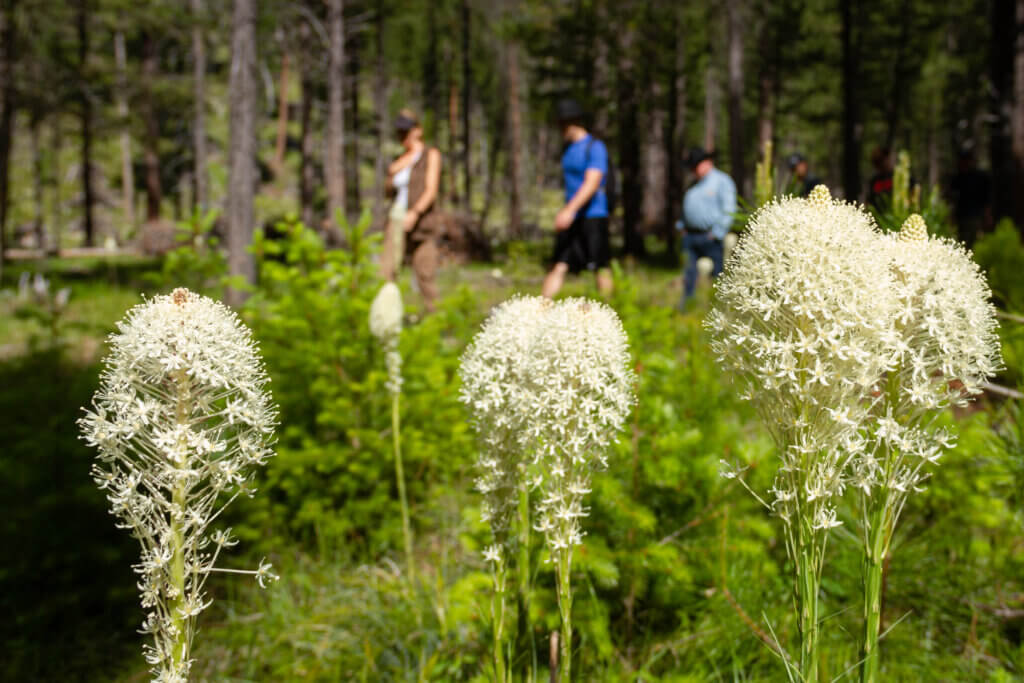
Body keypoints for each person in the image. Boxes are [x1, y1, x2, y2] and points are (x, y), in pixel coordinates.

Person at [542, 98, 613, 298]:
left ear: (573, 122)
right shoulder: (568, 148)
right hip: (572, 216)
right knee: (559, 264)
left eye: (562, 123)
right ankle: (539, 312)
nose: (560, 127)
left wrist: (569, 210)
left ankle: (610, 312)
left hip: (593, 215)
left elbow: (593, 181)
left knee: (600, 266)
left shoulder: (595, 147)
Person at [380, 109, 445, 312]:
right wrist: (398, 166)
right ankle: (387, 316)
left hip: (422, 222)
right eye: (400, 132)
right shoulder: (400, 159)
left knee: (425, 272)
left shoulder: (430, 155)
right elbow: (388, 188)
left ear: (418, 131)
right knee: (386, 271)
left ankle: (435, 321)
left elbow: (431, 190)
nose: (403, 137)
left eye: (406, 131)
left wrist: (415, 213)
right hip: (396, 218)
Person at [676, 146, 736, 308]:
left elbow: (729, 209)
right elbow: (686, 209)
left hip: (711, 237)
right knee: (689, 273)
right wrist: (681, 226)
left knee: (716, 275)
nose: (693, 170)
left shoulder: (722, 181)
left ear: (707, 162)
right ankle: (688, 305)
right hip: (690, 236)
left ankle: (717, 307)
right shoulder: (693, 185)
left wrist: (717, 233)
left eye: (695, 165)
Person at [949, 148, 991, 248]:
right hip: (962, 216)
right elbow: (952, 198)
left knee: (975, 242)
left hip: (976, 216)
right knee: (963, 242)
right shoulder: (958, 178)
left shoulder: (981, 177)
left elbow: (986, 198)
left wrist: (987, 215)